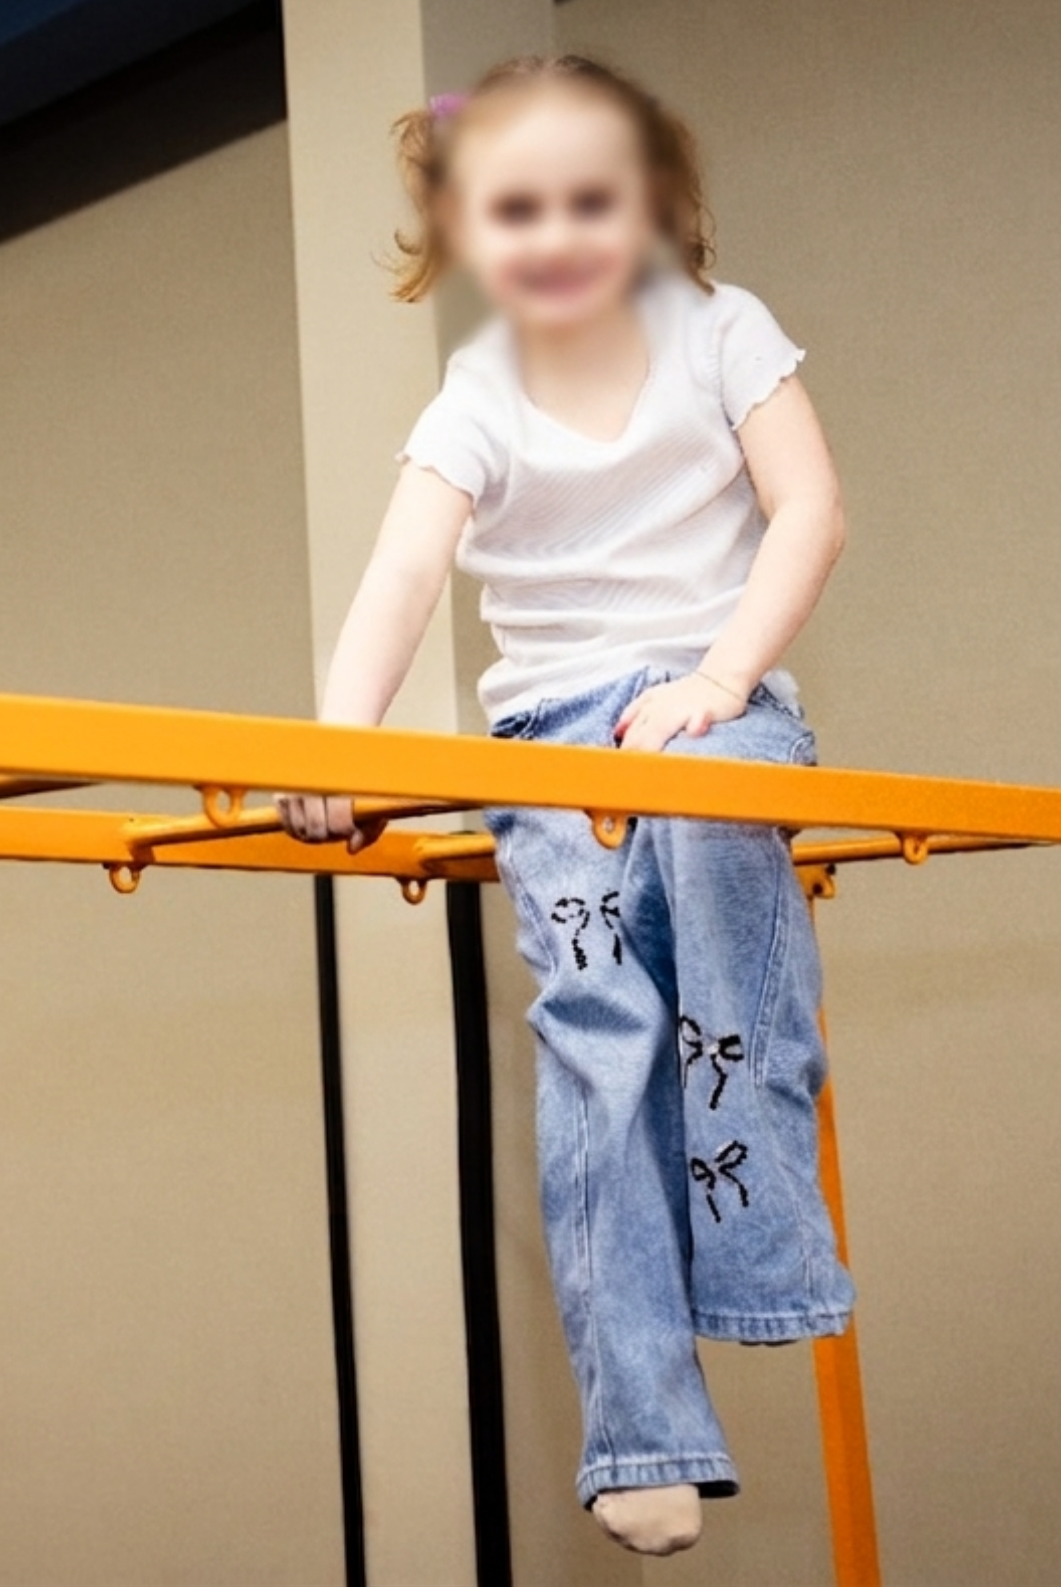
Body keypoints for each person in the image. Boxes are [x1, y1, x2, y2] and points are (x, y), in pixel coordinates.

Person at [277, 54, 853, 1557]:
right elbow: (404, 574)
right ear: (469, 234)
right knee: (602, 1033)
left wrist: (721, 682)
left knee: (722, 878)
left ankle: (756, 1248)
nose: (557, 234)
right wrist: (344, 744)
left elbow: (811, 510)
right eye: (514, 207)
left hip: (713, 706)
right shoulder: (478, 392)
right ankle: (644, 1427)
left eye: (590, 199)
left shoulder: (725, 334)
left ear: (654, 204)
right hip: (551, 739)